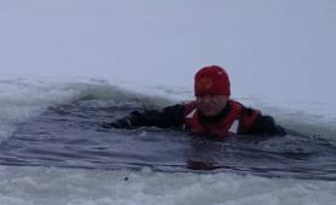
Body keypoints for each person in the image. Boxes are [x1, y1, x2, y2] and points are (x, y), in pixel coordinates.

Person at [106, 65, 285, 138]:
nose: (206, 101)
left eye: (213, 95)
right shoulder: (184, 113)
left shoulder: (252, 122)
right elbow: (144, 117)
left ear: (227, 95)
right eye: (201, 96)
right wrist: (119, 124)